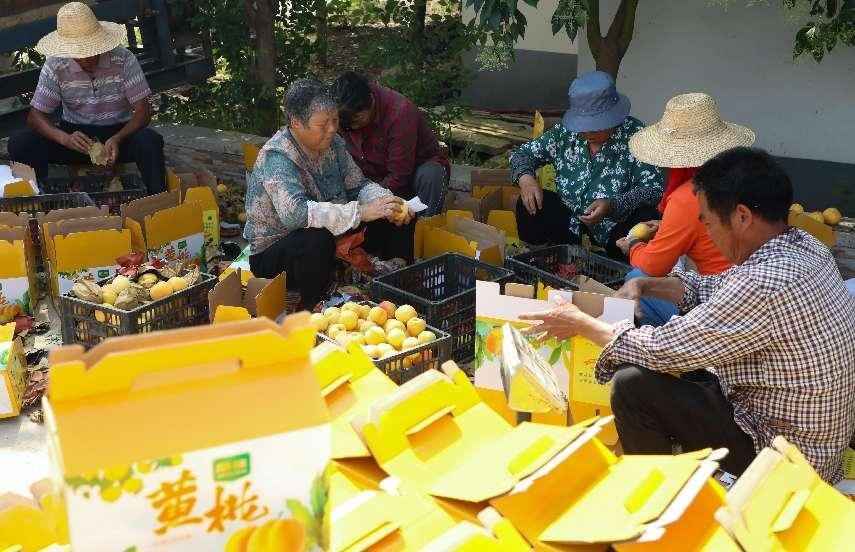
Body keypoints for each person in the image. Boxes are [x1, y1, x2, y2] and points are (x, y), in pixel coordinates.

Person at [519, 147, 855, 482]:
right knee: (688, 367)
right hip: (814, 444)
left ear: (741, 217)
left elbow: (663, 349)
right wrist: (648, 286)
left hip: (784, 459)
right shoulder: (806, 247)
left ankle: (656, 499)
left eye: (708, 224)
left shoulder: (762, 283)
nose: (707, 234)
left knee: (633, 386)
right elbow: (713, 289)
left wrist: (581, 323)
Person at [244, 79, 415, 309]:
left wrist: (385, 201)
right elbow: (296, 215)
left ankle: (397, 290)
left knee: (393, 214)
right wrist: (361, 212)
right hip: (279, 254)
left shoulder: (334, 144)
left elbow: (358, 185)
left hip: (333, 233)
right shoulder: (278, 157)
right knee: (316, 239)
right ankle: (312, 308)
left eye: (335, 120)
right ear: (296, 123)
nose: (332, 129)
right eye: (323, 124)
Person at [613, 93, 754, 326]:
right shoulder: (746, 177)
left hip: (725, 304)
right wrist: (666, 225)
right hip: (751, 288)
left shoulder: (688, 197)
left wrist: (634, 246)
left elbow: (654, 266)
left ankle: (664, 348)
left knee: (637, 278)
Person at [7, 2, 166, 194]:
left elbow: (143, 111)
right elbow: (35, 117)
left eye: (90, 53)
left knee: (150, 141)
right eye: (78, 55)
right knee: (20, 142)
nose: (85, 60)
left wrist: (118, 138)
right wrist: (65, 139)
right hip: (75, 137)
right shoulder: (55, 65)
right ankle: (35, 198)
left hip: (118, 135)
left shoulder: (124, 59)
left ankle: (157, 199)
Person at [509, 71, 663, 261]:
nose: (589, 132)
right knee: (528, 202)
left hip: (617, 234)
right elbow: (522, 154)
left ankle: (624, 274)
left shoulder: (636, 135)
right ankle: (542, 261)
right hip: (570, 226)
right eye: (584, 125)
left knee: (646, 216)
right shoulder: (565, 134)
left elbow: (652, 191)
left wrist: (612, 206)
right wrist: (526, 179)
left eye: (597, 125)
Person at [330, 71, 449, 217]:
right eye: (345, 124)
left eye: (356, 120)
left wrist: (375, 203)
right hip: (369, 179)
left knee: (431, 174)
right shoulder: (340, 114)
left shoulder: (399, 113)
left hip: (410, 175)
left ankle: (424, 228)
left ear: (371, 101)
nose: (352, 128)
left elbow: (399, 175)